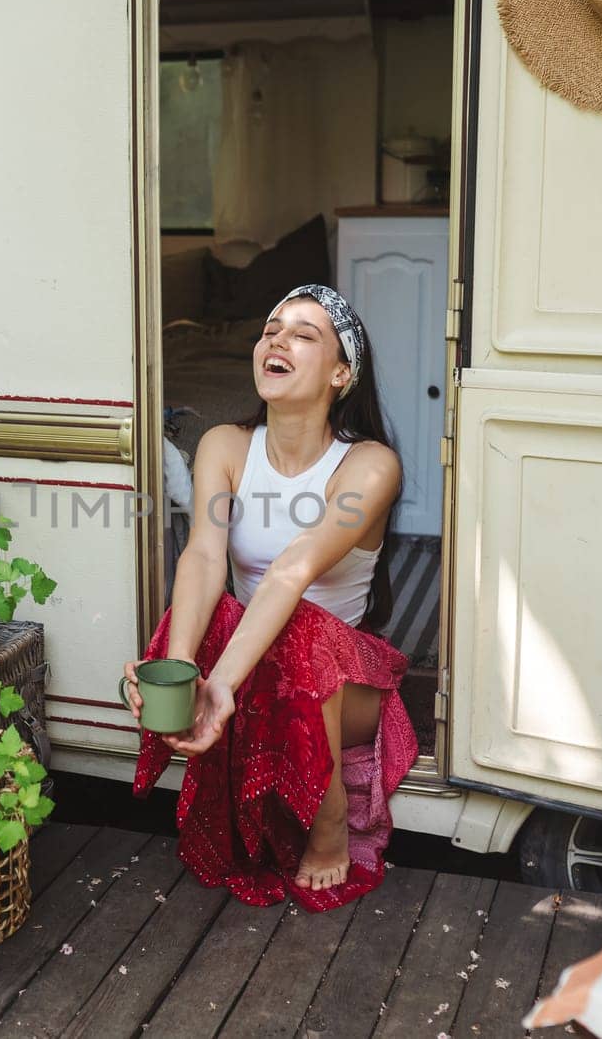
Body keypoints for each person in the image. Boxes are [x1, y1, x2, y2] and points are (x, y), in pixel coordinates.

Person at [124, 283, 418, 912]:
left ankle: (331, 817)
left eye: (303, 335)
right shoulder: (226, 446)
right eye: (270, 329)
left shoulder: (370, 465)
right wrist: (179, 671)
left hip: (343, 684)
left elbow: (292, 572)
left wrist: (222, 683)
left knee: (299, 627)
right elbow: (204, 555)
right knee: (205, 615)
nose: (276, 340)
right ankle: (189, 708)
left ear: (342, 374)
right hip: (251, 667)